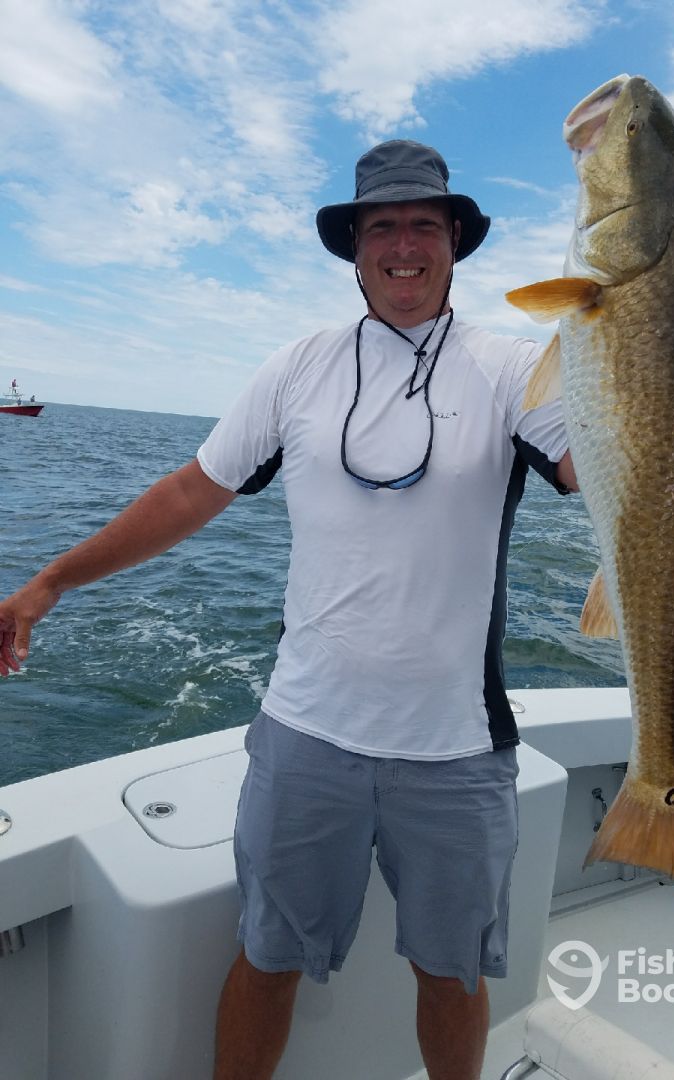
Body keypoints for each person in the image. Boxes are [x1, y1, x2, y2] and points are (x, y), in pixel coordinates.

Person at [0, 139, 577, 1080]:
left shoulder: (517, 369)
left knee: (452, 971)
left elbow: (601, 464)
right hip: (305, 735)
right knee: (267, 956)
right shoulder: (298, 367)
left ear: (454, 242)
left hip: (457, 751)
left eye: (423, 225)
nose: (402, 246)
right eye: (381, 227)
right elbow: (191, 492)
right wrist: (52, 581)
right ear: (354, 247)